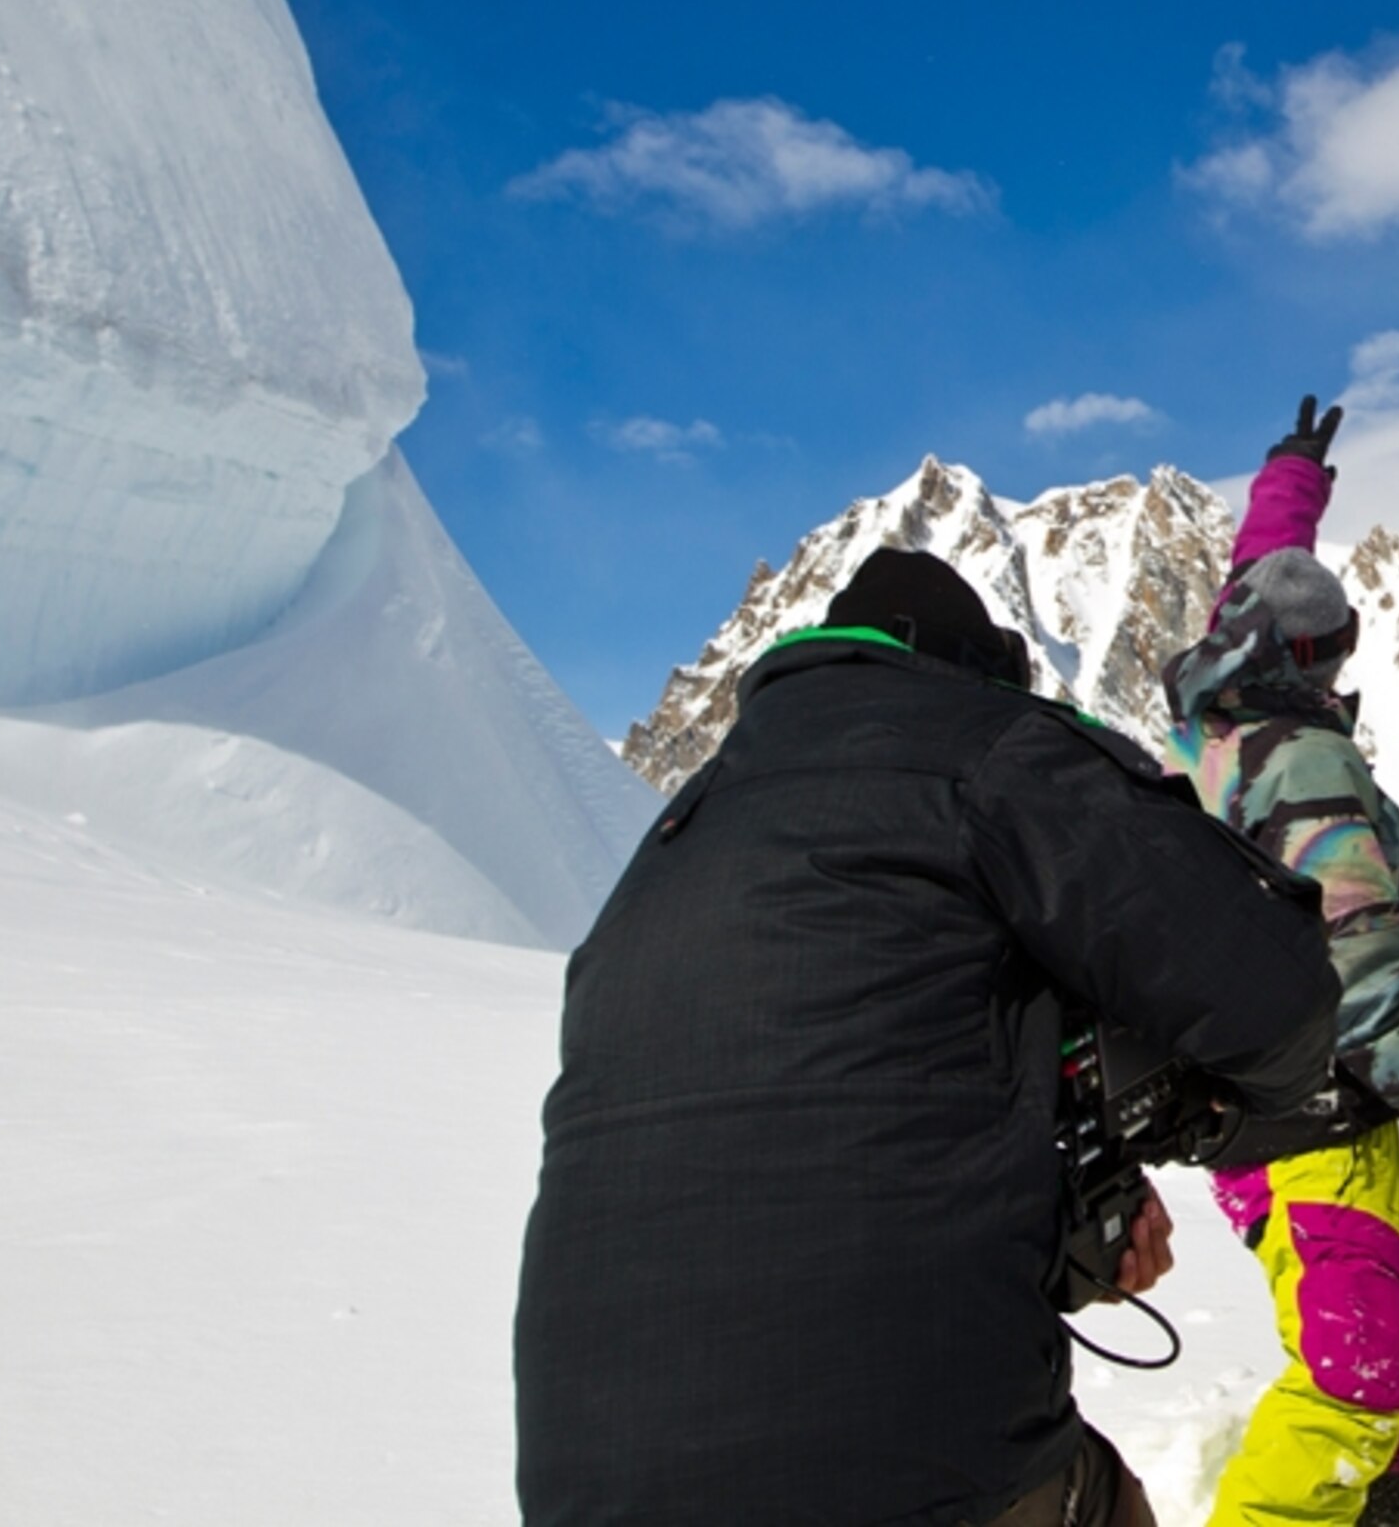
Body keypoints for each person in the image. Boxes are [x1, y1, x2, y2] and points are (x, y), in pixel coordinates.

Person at [516, 547, 1342, 1527]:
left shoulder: (676, 839)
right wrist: (1203, 1114)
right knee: (1094, 1498)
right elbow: (1274, 991)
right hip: (908, 1478)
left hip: (583, 1489)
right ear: (979, 671)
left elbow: (804, 1138)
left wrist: (1056, 1204)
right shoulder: (989, 748)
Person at [1162, 397, 1399, 1527]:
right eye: (1330, 650)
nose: (1337, 670)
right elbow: (1358, 961)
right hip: (1312, 1116)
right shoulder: (1306, 763)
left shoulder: (1219, 712)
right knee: (1353, 1385)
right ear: (1298, 660)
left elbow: (1261, 571)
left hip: (1256, 1109)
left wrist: (1290, 483)